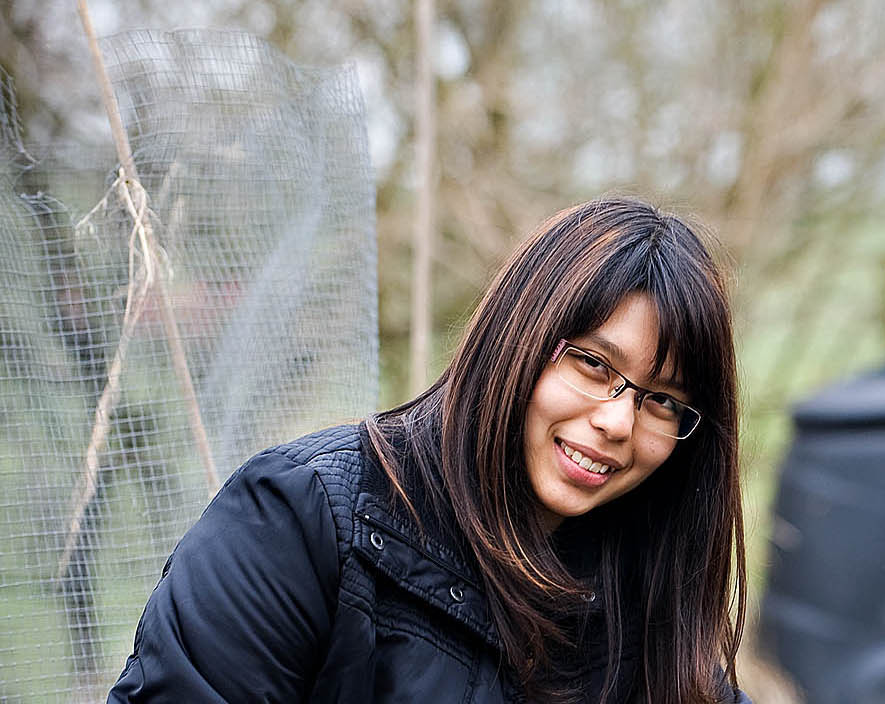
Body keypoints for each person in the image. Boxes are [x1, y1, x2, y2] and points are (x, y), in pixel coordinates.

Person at [109, 197, 750, 703]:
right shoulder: (300, 521)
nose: (617, 421)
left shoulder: (649, 609)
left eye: (662, 401)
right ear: (517, 338)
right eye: (591, 363)